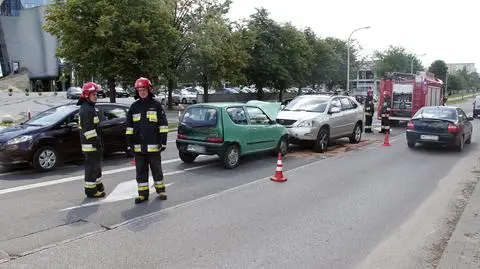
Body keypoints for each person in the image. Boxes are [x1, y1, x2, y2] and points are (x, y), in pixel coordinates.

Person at [126, 77, 169, 204]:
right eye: (139, 90)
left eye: (143, 89)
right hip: (138, 147)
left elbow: (163, 125)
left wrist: (163, 141)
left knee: (156, 169)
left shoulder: (156, 105)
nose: (141, 92)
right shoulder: (134, 107)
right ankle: (143, 194)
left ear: (149, 90)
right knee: (140, 171)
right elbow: (129, 127)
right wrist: (129, 144)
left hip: (153, 146)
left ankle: (161, 190)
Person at [77, 82, 105, 198]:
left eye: (96, 94)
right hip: (91, 145)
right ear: (86, 95)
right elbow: (88, 131)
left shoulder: (90, 107)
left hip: (93, 144)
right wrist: (97, 143)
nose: (95, 96)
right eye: (93, 94)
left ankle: (98, 186)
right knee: (92, 168)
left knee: (96, 167)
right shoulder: (86, 110)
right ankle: (91, 191)